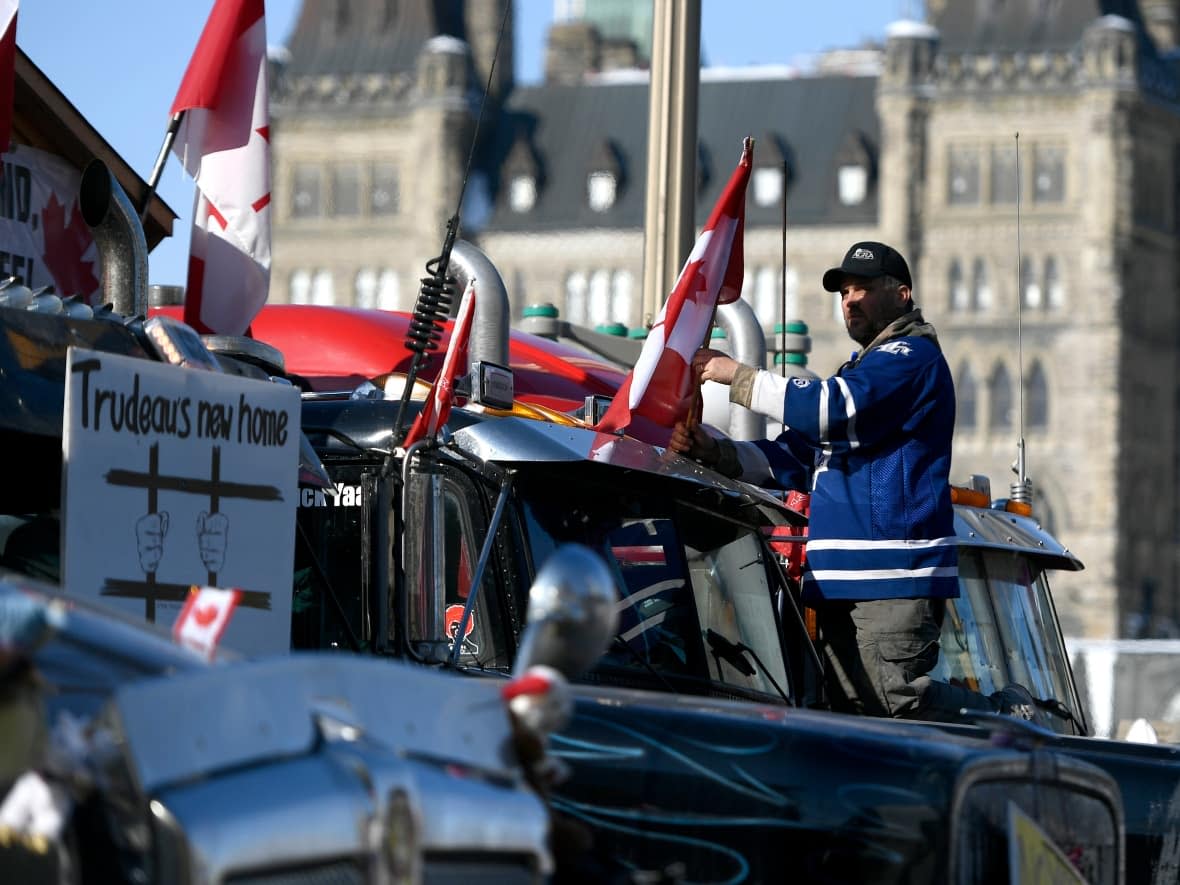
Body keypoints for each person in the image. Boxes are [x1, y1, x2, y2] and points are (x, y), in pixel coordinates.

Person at [669, 241, 1043, 724]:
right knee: (852, 718)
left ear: (902, 295)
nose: (849, 299)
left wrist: (739, 377)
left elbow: (831, 408)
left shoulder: (910, 358)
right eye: (844, 291)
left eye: (863, 288)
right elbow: (796, 455)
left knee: (893, 704)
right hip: (840, 580)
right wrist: (716, 453)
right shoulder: (865, 371)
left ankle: (1007, 717)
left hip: (889, 577)